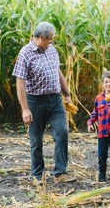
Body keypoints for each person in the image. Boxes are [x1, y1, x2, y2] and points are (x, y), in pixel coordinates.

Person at [13, 21, 77, 185]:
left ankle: (60, 173)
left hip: (55, 100)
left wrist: (67, 94)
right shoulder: (25, 54)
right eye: (51, 39)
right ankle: (37, 175)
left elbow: (57, 72)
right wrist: (25, 109)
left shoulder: (52, 51)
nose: (52, 42)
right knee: (36, 140)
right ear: (41, 37)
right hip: (36, 102)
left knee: (62, 132)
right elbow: (20, 84)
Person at [87, 70, 110, 182]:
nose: (109, 84)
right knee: (102, 155)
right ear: (103, 84)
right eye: (106, 82)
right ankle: (102, 175)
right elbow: (95, 113)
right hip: (102, 132)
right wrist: (90, 122)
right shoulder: (99, 98)